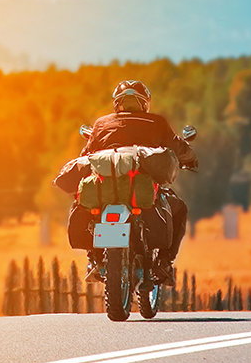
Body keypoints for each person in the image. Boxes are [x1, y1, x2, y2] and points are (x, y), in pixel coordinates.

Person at [79, 80, 197, 287]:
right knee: (179, 209)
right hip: (141, 189)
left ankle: (94, 259)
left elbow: (85, 156)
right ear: (145, 103)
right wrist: (189, 157)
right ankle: (164, 263)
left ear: (117, 103)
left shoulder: (101, 124)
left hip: (105, 190)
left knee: (83, 204)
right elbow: (177, 147)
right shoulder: (157, 122)